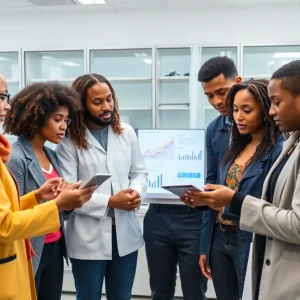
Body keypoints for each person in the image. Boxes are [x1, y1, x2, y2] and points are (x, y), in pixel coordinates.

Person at [182, 60, 300, 300]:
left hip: (252, 239)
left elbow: (280, 212)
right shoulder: (228, 140)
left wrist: (232, 201)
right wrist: (205, 200)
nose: (236, 116)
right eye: (235, 110)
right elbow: (215, 183)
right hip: (220, 237)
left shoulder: (281, 148)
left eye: (246, 110)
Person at [0, 73, 97, 300]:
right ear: (38, 117)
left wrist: (65, 200)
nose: (64, 126)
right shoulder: (15, 157)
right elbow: (10, 219)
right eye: (57, 119)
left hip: (53, 246)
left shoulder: (51, 155)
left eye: (67, 120)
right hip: (30, 248)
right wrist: (56, 204)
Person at [56, 73, 148, 300]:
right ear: (81, 106)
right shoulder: (68, 142)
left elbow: (139, 172)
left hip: (125, 234)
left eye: (109, 99)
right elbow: (69, 192)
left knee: (122, 296)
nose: (107, 106)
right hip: (88, 237)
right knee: (88, 296)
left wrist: (136, 192)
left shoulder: (125, 132)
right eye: (97, 102)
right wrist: (110, 201)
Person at [197, 56, 242, 289]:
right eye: (209, 95)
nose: (216, 101)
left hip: (249, 234)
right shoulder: (214, 129)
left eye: (222, 92)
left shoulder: (268, 127)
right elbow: (211, 183)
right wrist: (205, 244)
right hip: (219, 236)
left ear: (239, 82)